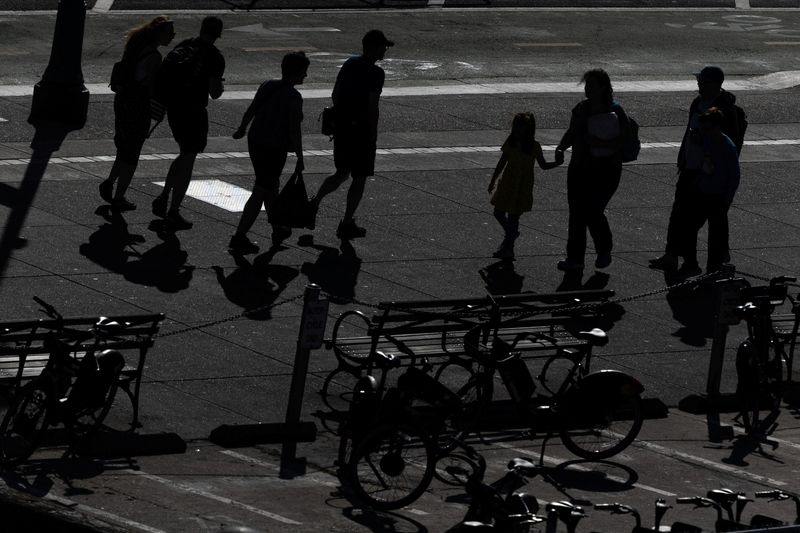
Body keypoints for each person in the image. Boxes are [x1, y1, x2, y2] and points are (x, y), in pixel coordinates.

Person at [649, 65, 743, 277]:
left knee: (701, 221)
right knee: (679, 213)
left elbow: (730, 144)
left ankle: (708, 263)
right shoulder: (697, 103)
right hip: (690, 167)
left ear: (715, 84)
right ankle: (674, 255)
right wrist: (684, 158)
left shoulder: (723, 109)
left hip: (707, 174)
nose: (698, 84)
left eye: (703, 81)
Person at [311, 29, 394, 240]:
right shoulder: (376, 73)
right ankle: (346, 222)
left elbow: (335, 93)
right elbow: (372, 106)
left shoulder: (350, 64)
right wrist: (373, 134)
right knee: (360, 177)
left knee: (341, 172)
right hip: (362, 132)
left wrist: (341, 117)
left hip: (342, 129)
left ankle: (315, 202)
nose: (385, 50)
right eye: (383, 46)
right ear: (374, 47)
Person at [228, 51, 310, 254]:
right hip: (274, 148)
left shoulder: (267, 85)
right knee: (262, 189)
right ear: (297, 72)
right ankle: (239, 236)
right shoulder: (294, 97)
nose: (305, 76)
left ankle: (278, 228)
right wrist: (300, 156)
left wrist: (242, 128)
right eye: (304, 72)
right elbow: (294, 130)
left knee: (270, 186)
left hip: (256, 142)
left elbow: (252, 109)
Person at [151, 16, 225, 230]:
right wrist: (220, 85)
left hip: (174, 108)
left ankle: (165, 195)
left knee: (184, 154)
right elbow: (215, 93)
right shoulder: (215, 57)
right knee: (189, 158)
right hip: (194, 111)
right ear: (218, 34)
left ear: (201, 29)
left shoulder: (185, 44)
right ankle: (173, 210)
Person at [555, 69, 632, 271]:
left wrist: (601, 143)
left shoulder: (616, 111)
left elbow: (625, 140)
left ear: (603, 88)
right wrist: (561, 147)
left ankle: (604, 248)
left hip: (605, 170)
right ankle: (575, 258)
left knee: (593, 211)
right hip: (580, 167)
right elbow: (572, 131)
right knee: (577, 214)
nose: (587, 89)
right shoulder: (581, 108)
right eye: (586, 85)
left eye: (592, 85)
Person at [100, 16, 175, 211]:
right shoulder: (155, 57)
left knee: (124, 147)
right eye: (170, 34)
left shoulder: (135, 47)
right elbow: (150, 87)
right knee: (132, 154)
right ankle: (119, 197)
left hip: (123, 102)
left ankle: (110, 182)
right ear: (159, 34)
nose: (172, 37)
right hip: (138, 106)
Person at [487, 112, 563, 260]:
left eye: (518, 127)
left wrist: (557, 163)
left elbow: (543, 165)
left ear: (527, 129)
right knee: (499, 212)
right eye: (514, 126)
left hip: (522, 186)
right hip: (509, 184)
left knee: (512, 217)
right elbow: (501, 163)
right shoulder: (512, 142)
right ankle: (510, 237)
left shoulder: (534, 146)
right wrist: (493, 180)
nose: (515, 129)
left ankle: (508, 247)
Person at [682, 108, 740, 274]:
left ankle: (712, 269)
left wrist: (726, 199)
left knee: (715, 236)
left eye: (707, 128)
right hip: (703, 192)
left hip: (718, 196)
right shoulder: (708, 139)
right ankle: (692, 264)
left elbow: (734, 176)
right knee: (691, 228)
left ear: (716, 127)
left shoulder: (727, 146)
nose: (705, 132)